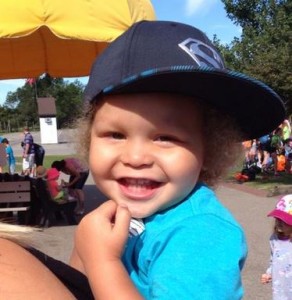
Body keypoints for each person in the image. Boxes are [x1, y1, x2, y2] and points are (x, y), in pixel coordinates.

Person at [0, 20, 286, 299]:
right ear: (90, 141)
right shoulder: (125, 214)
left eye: (165, 137)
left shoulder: (201, 233)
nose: (135, 157)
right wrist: (85, 250)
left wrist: (102, 261)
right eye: (115, 134)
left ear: (208, 151)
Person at [261, 195, 292, 299]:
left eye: (284, 220)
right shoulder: (274, 239)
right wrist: (269, 273)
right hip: (280, 289)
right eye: (277, 219)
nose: (279, 222)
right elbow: (273, 260)